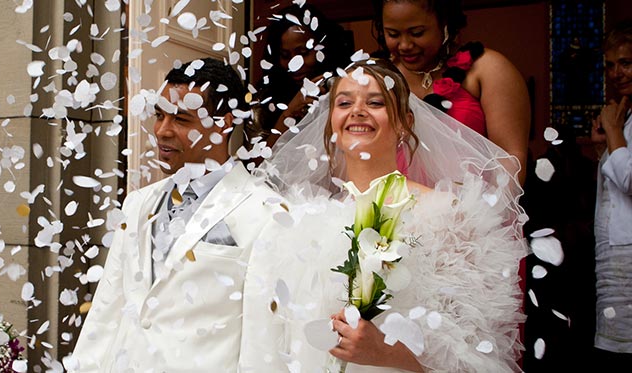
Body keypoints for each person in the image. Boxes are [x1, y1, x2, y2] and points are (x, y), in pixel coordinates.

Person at [257, 59, 526, 371]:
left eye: (375, 102)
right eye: (344, 102)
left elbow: (478, 352)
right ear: (332, 120)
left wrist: (385, 352)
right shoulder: (307, 221)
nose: (357, 110)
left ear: (403, 121)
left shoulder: (444, 215)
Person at [69, 58, 292, 371]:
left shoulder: (268, 212)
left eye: (181, 120)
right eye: (159, 115)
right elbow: (108, 308)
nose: (162, 131)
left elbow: (264, 338)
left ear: (224, 123)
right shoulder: (137, 203)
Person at [372, 0, 530, 184]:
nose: (405, 45)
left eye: (417, 33)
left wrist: (486, 211)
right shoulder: (378, 75)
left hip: (473, 204)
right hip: (398, 204)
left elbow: (510, 157)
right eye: (393, 34)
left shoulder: (487, 69)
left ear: (444, 24)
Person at [590, 20, 632, 362]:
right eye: (610, 65)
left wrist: (615, 131)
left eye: (626, 63)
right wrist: (601, 150)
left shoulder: (621, 119)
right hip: (612, 252)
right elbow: (613, 193)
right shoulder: (626, 113)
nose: (616, 73)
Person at [255, 3, 353, 149]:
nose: (294, 64)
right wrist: (289, 112)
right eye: (285, 56)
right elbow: (255, 166)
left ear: (323, 48)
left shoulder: (347, 90)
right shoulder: (264, 100)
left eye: (303, 53)